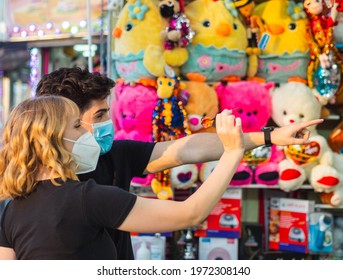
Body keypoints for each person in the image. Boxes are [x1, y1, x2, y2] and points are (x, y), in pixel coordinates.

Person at [34, 67, 323, 259]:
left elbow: (185, 149)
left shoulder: (112, 155)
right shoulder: (59, 193)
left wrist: (268, 136)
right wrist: (234, 153)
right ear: (65, 120)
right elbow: (189, 215)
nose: (108, 124)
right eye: (99, 116)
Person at [0, 96, 245, 259]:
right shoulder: (87, 198)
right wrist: (233, 152)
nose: (87, 132)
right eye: (77, 126)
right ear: (52, 138)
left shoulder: (10, 208)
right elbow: (191, 213)